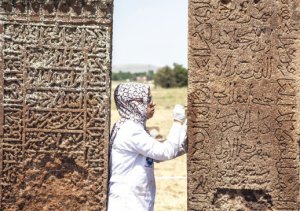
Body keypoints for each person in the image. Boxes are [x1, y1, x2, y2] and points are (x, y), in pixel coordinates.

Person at [107, 82, 187, 211]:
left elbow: (156, 156)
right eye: (148, 99)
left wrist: (184, 140)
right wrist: (178, 122)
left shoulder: (134, 127)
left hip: (135, 202)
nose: (152, 103)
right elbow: (164, 152)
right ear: (134, 103)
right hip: (127, 204)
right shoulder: (130, 130)